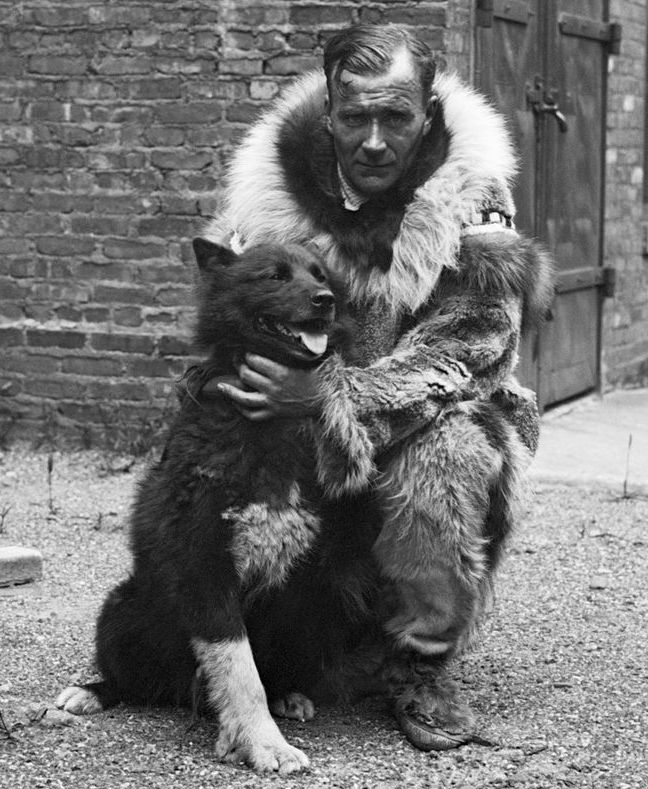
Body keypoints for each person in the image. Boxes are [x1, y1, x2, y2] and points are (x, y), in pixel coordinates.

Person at [201, 23, 553, 750]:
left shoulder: (472, 191)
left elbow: (476, 341)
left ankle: (421, 665)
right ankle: (241, 635)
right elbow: (232, 314)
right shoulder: (270, 188)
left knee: (451, 452)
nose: (372, 140)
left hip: (436, 408)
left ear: (427, 113)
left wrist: (334, 401)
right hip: (306, 403)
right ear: (329, 112)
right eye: (355, 117)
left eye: (395, 118)